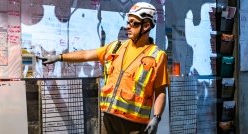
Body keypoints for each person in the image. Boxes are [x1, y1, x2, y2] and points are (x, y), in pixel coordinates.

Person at [38, 2, 169, 134]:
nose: (128, 27)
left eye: (133, 23)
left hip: (134, 125)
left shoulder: (157, 56)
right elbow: (85, 55)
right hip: (108, 119)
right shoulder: (115, 47)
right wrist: (59, 57)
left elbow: (160, 91)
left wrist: (156, 118)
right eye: (128, 22)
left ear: (146, 26)